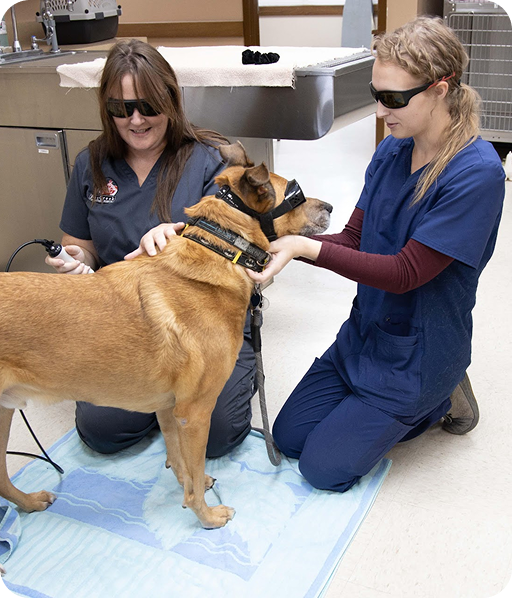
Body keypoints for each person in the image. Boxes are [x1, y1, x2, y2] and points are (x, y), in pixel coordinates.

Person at [247, 16, 506, 492]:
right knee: (289, 437)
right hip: (365, 337)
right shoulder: (391, 151)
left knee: (322, 470)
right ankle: (374, 404)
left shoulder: (476, 174)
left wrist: (306, 246)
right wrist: (273, 244)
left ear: (440, 90)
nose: (382, 110)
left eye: (394, 99)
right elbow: (352, 241)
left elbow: (406, 273)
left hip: (418, 354)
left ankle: (442, 397)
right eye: (376, 94)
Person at [45, 39, 257, 458]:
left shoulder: (212, 158)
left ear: (171, 101)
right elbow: (79, 245)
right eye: (121, 109)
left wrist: (180, 241)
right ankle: (162, 401)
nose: (136, 120)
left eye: (148, 106)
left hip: (203, 322)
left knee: (217, 435)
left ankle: (191, 393)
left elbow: (246, 254)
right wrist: (76, 261)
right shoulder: (91, 163)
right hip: (124, 323)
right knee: (104, 432)